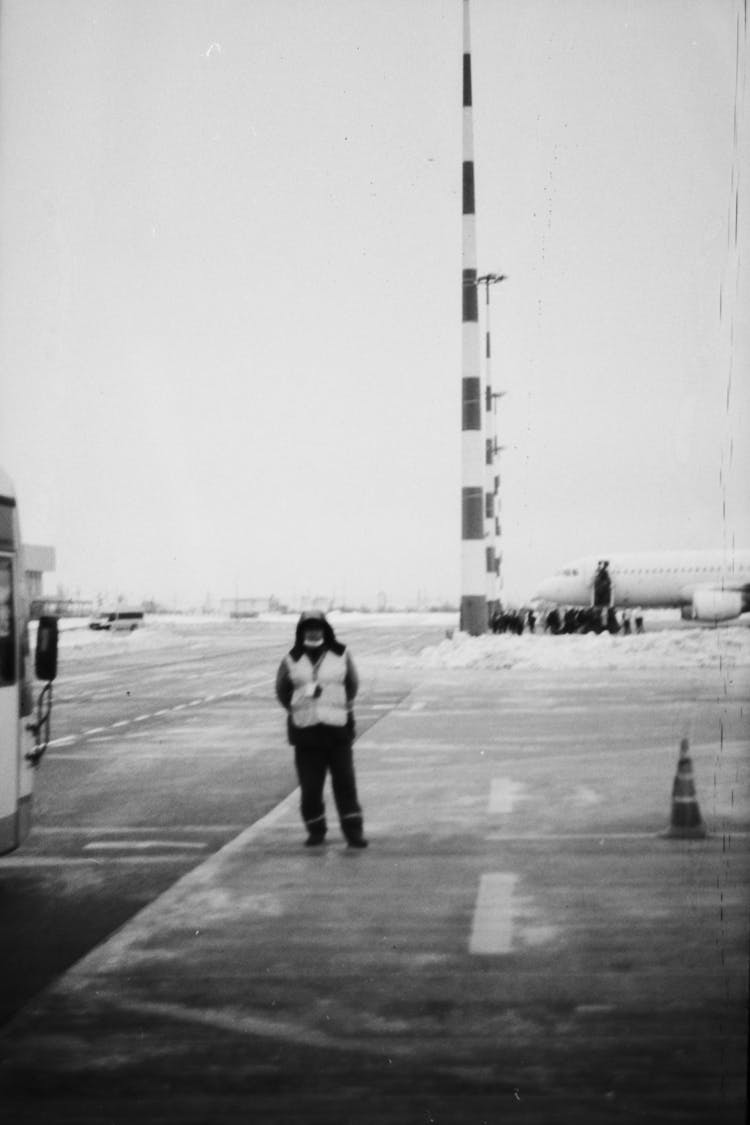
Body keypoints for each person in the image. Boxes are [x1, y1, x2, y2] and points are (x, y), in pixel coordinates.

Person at [275, 610, 368, 848]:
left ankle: (353, 832)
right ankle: (316, 831)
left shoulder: (341, 654)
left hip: (337, 731)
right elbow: (282, 690)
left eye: (317, 627)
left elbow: (352, 685)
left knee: (345, 783)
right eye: (308, 627)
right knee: (311, 787)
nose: (313, 631)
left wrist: (340, 707)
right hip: (306, 732)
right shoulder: (291, 659)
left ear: (326, 629)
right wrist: (298, 709)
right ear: (301, 631)